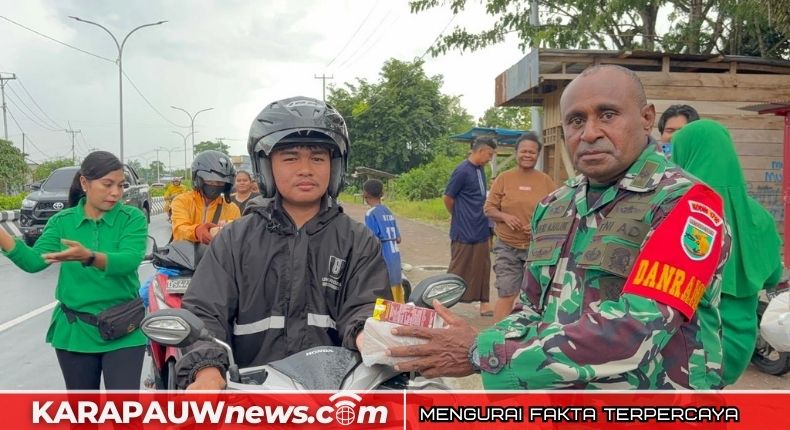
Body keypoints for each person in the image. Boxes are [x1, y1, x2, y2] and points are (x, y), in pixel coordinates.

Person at [388, 65, 731, 390]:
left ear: (646, 118)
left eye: (608, 115)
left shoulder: (687, 205)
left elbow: (635, 329)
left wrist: (482, 351)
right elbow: (530, 310)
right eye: (576, 120)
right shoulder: (555, 206)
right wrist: (479, 341)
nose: (590, 132)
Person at [175, 96, 391, 390]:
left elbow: (367, 306)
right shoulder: (234, 240)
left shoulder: (358, 240)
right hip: (251, 399)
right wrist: (208, 368)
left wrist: (369, 334)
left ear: (335, 166)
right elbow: (203, 313)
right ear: (265, 167)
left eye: (318, 158)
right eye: (290, 158)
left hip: (337, 398)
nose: (305, 169)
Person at [0, 151, 148, 390]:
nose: (116, 193)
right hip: (75, 330)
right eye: (107, 185)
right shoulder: (62, 222)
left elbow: (129, 261)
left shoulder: (132, 218)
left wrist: (88, 256)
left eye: (121, 186)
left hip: (124, 330)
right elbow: (34, 262)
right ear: (84, 183)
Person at [672, 119, 783, 385]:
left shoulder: (677, 212)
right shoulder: (760, 217)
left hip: (687, 345)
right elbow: (772, 276)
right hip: (737, 348)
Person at [484, 132, 556, 322]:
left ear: (538, 155)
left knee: (536, 297)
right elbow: (489, 208)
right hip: (507, 246)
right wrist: (505, 217)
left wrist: (537, 228)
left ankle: (525, 340)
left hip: (537, 249)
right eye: (523, 151)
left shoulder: (546, 181)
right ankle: (495, 340)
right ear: (516, 153)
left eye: (532, 152)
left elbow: (557, 214)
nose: (527, 155)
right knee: (507, 292)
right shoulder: (504, 178)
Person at [444, 136, 497, 316]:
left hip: (481, 227)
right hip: (463, 229)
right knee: (458, 267)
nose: (490, 158)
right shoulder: (462, 170)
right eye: (489, 154)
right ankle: (440, 303)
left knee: (483, 266)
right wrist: (458, 215)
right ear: (480, 151)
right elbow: (448, 197)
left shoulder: (481, 169)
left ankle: (484, 304)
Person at [170, 150, 241, 244]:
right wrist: (196, 231)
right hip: (185, 255)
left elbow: (238, 240)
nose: (215, 185)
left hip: (216, 256)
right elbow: (179, 230)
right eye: (210, 181)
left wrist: (231, 227)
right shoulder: (182, 201)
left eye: (220, 183)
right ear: (198, 180)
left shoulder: (232, 209)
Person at [363, 179, 404, 303]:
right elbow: (399, 239)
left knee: (383, 297)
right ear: (382, 193)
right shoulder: (388, 211)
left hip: (383, 258)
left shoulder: (370, 214)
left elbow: (372, 240)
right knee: (397, 294)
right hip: (395, 258)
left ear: (365, 194)